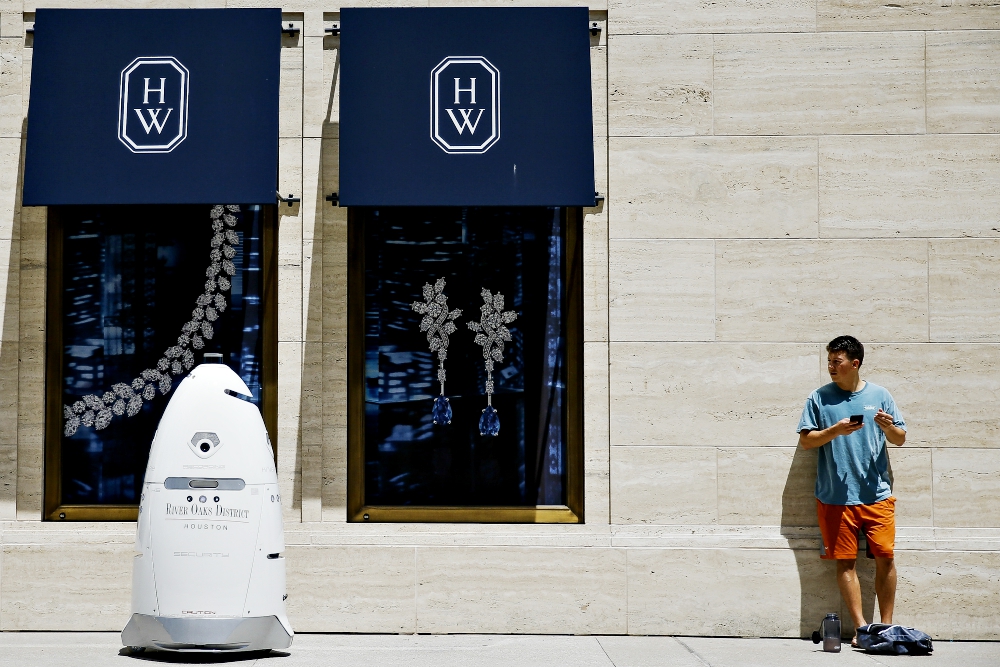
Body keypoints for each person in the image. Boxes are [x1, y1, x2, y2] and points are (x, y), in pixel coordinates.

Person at [797, 335, 907, 646]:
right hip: (836, 497)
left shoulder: (880, 395)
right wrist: (835, 430)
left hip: (877, 495)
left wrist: (888, 426)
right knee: (845, 561)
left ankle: (886, 627)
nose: (831, 367)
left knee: (885, 557)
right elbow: (806, 441)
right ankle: (861, 629)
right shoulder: (819, 398)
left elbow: (899, 438)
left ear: (854, 363)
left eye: (837, 361)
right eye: (829, 361)